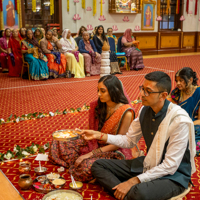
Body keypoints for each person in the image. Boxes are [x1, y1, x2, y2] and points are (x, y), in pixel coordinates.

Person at [81, 71, 196, 200]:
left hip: (173, 175)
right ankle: (125, 193)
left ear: (163, 95)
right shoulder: (144, 110)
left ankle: (127, 191)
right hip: (149, 164)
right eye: (142, 88)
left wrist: (132, 181)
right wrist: (100, 135)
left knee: (139, 193)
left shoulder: (179, 120)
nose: (141, 94)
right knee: (98, 165)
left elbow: (170, 165)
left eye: (148, 91)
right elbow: (129, 140)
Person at [49, 75, 135, 182]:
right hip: (94, 141)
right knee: (59, 142)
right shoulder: (99, 105)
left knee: (87, 167)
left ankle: (85, 164)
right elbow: (94, 130)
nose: (99, 94)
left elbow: (118, 143)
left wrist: (90, 154)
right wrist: (82, 134)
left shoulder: (126, 113)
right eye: (98, 90)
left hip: (112, 150)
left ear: (114, 90)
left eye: (103, 91)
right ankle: (79, 162)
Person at [171, 67, 200, 156]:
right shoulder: (176, 93)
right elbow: (171, 113)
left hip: (194, 125)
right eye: (177, 81)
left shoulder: (198, 92)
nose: (178, 83)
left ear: (191, 80)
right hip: (179, 125)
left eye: (181, 80)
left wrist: (186, 124)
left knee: (190, 146)